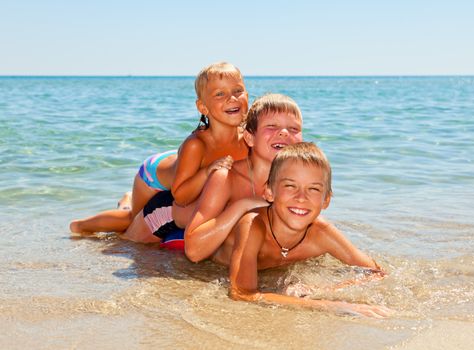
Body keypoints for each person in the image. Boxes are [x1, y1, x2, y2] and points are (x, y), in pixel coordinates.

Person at [70, 62, 249, 236]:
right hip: (154, 177)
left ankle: (126, 199)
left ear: (247, 96)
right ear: (203, 107)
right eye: (219, 94)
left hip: (180, 165)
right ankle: (81, 225)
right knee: (131, 220)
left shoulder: (250, 138)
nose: (232, 98)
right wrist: (206, 172)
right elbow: (180, 197)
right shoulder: (196, 145)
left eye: (238, 91)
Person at [223, 142, 390, 317]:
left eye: (313, 189)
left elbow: (376, 272)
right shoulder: (253, 226)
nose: (301, 197)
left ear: (326, 200)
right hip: (211, 268)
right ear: (269, 192)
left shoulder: (322, 233)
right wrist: (329, 306)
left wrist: (322, 290)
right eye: (290, 186)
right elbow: (241, 293)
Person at [183, 93, 303, 260]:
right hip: (172, 218)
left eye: (293, 129)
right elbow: (193, 251)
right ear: (249, 137)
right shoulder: (226, 177)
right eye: (272, 126)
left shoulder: (303, 179)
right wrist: (244, 205)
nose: (284, 133)